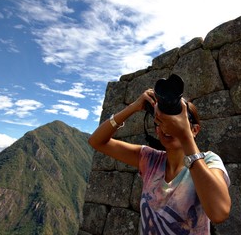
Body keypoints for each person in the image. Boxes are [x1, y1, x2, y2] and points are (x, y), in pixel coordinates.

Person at [88, 88, 231, 234]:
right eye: (161, 121)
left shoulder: (209, 161)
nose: (168, 126)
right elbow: (96, 141)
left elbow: (219, 213)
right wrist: (133, 107)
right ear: (156, 130)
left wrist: (185, 136)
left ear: (194, 130)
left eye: (177, 120)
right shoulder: (150, 159)